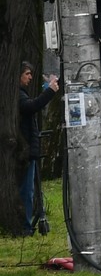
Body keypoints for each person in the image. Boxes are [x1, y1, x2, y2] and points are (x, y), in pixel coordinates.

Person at [16, 65, 57, 233]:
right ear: (18, 76)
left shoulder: (20, 93)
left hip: (27, 149)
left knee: (29, 189)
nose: (30, 78)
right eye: (27, 74)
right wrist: (50, 92)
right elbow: (31, 106)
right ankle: (26, 226)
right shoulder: (19, 95)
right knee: (27, 190)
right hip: (25, 151)